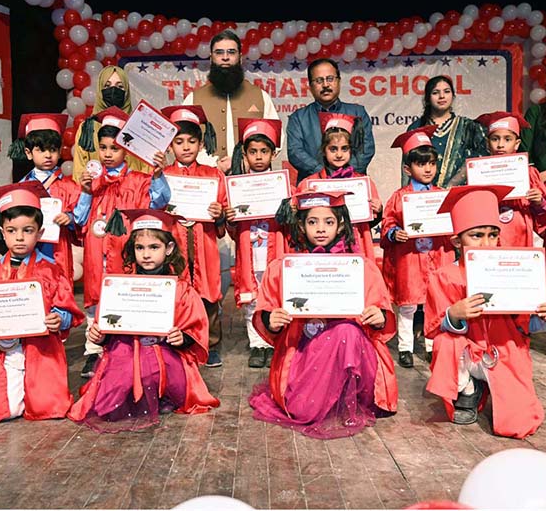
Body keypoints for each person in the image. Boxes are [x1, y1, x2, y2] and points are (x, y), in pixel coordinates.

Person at [248, 190, 397, 439]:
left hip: (355, 350)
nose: (320, 229)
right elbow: (267, 315)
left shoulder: (361, 267)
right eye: (312, 222)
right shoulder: (284, 267)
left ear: (340, 226)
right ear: (301, 225)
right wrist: (271, 320)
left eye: (328, 222)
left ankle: (349, 398)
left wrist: (379, 317)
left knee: (345, 331)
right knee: (302, 408)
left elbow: (381, 318)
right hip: (304, 350)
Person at [424, 185, 546, 438]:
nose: (486, 243)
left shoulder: (512, 269)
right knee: (445, 341)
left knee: (517, 424)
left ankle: (495, 385)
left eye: (492, 234)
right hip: (466, 353)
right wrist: (454, 314)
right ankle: (467, 388)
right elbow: (432, 327)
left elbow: (524, 323)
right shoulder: (444, 276)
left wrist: (542, 318)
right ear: (456, 241)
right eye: (476, 235)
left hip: (504, 350)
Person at [68, 209, 220, 432]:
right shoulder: (120, 288)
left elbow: (196, 328)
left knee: (162, 375)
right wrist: (100, 336)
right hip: (127, 350)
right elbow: (108, 326)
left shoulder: (180, 289)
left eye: (154, 247)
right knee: (111, 395)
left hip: (166, 353)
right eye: (140, 248)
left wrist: (183, 338)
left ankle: (161, 394)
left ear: (168, 249)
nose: (146, 254)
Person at [0, 181, 84, 422]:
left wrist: (59, 318)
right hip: (1, 352)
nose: (19, 238)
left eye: (28, 230)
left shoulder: (51, 271)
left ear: (40, 233)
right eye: (12, 230)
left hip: (41, 350)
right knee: (1, 411)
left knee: (49, 407)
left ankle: (39, 393)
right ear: (2, 232)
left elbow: (68, 309)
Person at [79, 106, 170, 378]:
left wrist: (157, 175)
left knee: (124, 300)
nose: (108, 154)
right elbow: (79, 218)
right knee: (95, 302)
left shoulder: (139, 181)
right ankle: (93, 350)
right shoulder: (93, 181)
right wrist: (85, 191)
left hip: (124, 255)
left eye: (114, 148)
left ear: (126, 149)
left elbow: (160, 201)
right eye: (103, 148)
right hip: (98, 255)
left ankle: (124, 349)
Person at [381, 125, 455, 368]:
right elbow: (388, 222)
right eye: (421, 164)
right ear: (407, 168)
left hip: (437, 255)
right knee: (408, 305)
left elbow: (452, 223)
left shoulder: (441, 194)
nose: (427, 169)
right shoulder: (398, 197)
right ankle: (405, 347)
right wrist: (394, 233)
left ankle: (433, 346)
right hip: (410, 259)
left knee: (436, 302)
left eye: (431, 163)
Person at [161, 105, 227, 367]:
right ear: (170, 145)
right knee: (175, 290)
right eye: (179, 142)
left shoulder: (213, 176)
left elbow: (222, 211)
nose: (186, 147)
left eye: (191, 141)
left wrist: (219, 212)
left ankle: (209, 343)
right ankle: (176, 340)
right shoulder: (164, 176)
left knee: (207, 292)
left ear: (200, 144)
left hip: (204, 241)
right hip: (174, 240)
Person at [224, 118, 289, 368]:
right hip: (249, 251)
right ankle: (256, 343)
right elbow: (232, 231)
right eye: (253, 152)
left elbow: (291, 225)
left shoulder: (282, 186)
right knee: (252, 299)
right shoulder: (236, 186)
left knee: (274, 296)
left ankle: (273, 341)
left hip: (275, 251)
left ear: (273, 153)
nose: (259, 157)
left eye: (264, 151)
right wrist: (230, 219)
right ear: (245, 153)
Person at [7, 113, 92, 281]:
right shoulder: (21, 186)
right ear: (28, 153)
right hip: (28, 245)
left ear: (60, 152)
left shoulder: (70, 186)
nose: (47, 155)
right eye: (41, 149)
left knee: (58, 283)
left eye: (52, 150)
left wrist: (69, 218)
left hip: (57, 246)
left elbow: (81, 218)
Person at [182, 29, 279, 173]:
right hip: (208, 178)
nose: (225, 57)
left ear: (240, 58)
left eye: (231, 52)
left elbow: (276, 140)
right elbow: (184, 142)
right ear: (211, 58)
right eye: (219, 53)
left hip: (251, 179)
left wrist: (247, 161)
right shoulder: (193, 99)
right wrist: (214, 164)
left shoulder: (260, 96)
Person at [296, 112, 382, 260]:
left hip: (356, 243)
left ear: (351, 150)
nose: (339, 154)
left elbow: (370, 221)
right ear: (324, 150)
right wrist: (302, 201)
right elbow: (298, 223)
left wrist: (378, 210)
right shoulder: (309, 184)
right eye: (333, 149)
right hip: (319, 249)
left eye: (344, 149)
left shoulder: (363, 183)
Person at [287, 58, 376, 184]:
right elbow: (295, 153)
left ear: (339, 81)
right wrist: (324, 175)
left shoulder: (358, 113)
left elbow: (366, 150)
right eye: (319, 80)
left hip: (352, 183)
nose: (325, 85)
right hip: (312, 186)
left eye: (330, 79)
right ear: (310, 86)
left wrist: (346, 174)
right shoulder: (298, 118)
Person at [474, 111, 546, 247]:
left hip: (520, 235)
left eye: (507, 139)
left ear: (517, 144)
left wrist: (539, 202)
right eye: (495, 139)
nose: (500, 145)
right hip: (488, 238)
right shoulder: (478, 171)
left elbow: (544, 215)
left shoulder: (529, 173)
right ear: (487, 144)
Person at [406, 75, 488, 188]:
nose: (442, 96)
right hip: (424, 197)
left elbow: (481, 161)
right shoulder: (416, 128)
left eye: (447, 91)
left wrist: (452, 184)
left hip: (460, 195)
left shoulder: (469, 127)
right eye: (435, 93)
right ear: (427, 99)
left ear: (453, 96)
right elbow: (407, 168)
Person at [72, 65, 151, 182]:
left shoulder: (138, 126)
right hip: (96, 194)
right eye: (107, 86)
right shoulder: (88, 127)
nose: (113, 91)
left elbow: (147, 169)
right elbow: (80, 169)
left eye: (120, 86)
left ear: (126, 92)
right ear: (99, 90)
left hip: (133, 194)